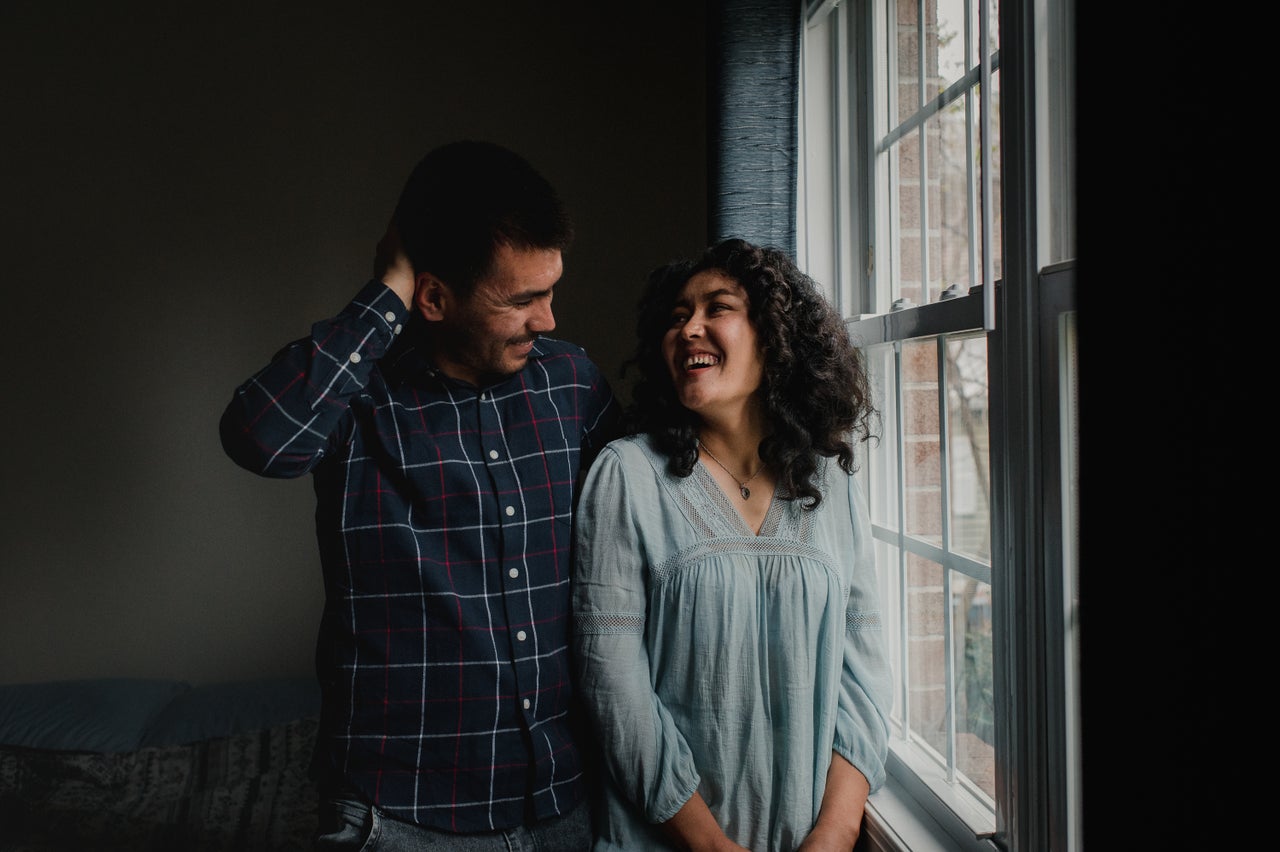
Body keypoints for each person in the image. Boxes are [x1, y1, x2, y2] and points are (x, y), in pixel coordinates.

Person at [220, 140, 622, 850]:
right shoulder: (357, 398)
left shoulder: (574, 384)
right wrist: (388, 291)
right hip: (400, 815)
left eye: (551, 291)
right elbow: (261, 438)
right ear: (434, 297)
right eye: (522, 300)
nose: (548, 320)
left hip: (564, 803)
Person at [571, 238, 893, 851]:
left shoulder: (830, 483)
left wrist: (834, 833)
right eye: (676, 317)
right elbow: (615, 692)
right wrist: (713, 848)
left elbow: (866, 677)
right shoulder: (628, 477)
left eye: (717, 308)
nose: (689, 327)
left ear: (774, 336)